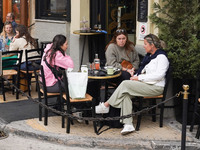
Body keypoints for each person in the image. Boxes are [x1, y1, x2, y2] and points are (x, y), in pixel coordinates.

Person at [96, 34, 169, 135]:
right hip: (145, 84)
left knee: (125, 84)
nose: (144, 46)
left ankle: (105, 105)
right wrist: (136, 76)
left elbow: (159, 75)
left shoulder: (161, 57)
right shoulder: (149, 57)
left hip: (155, 87)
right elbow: (143, 71)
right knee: (125, 94)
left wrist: (139, 77)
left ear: (152, 45)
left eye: (145, 44)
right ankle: (128, 124)